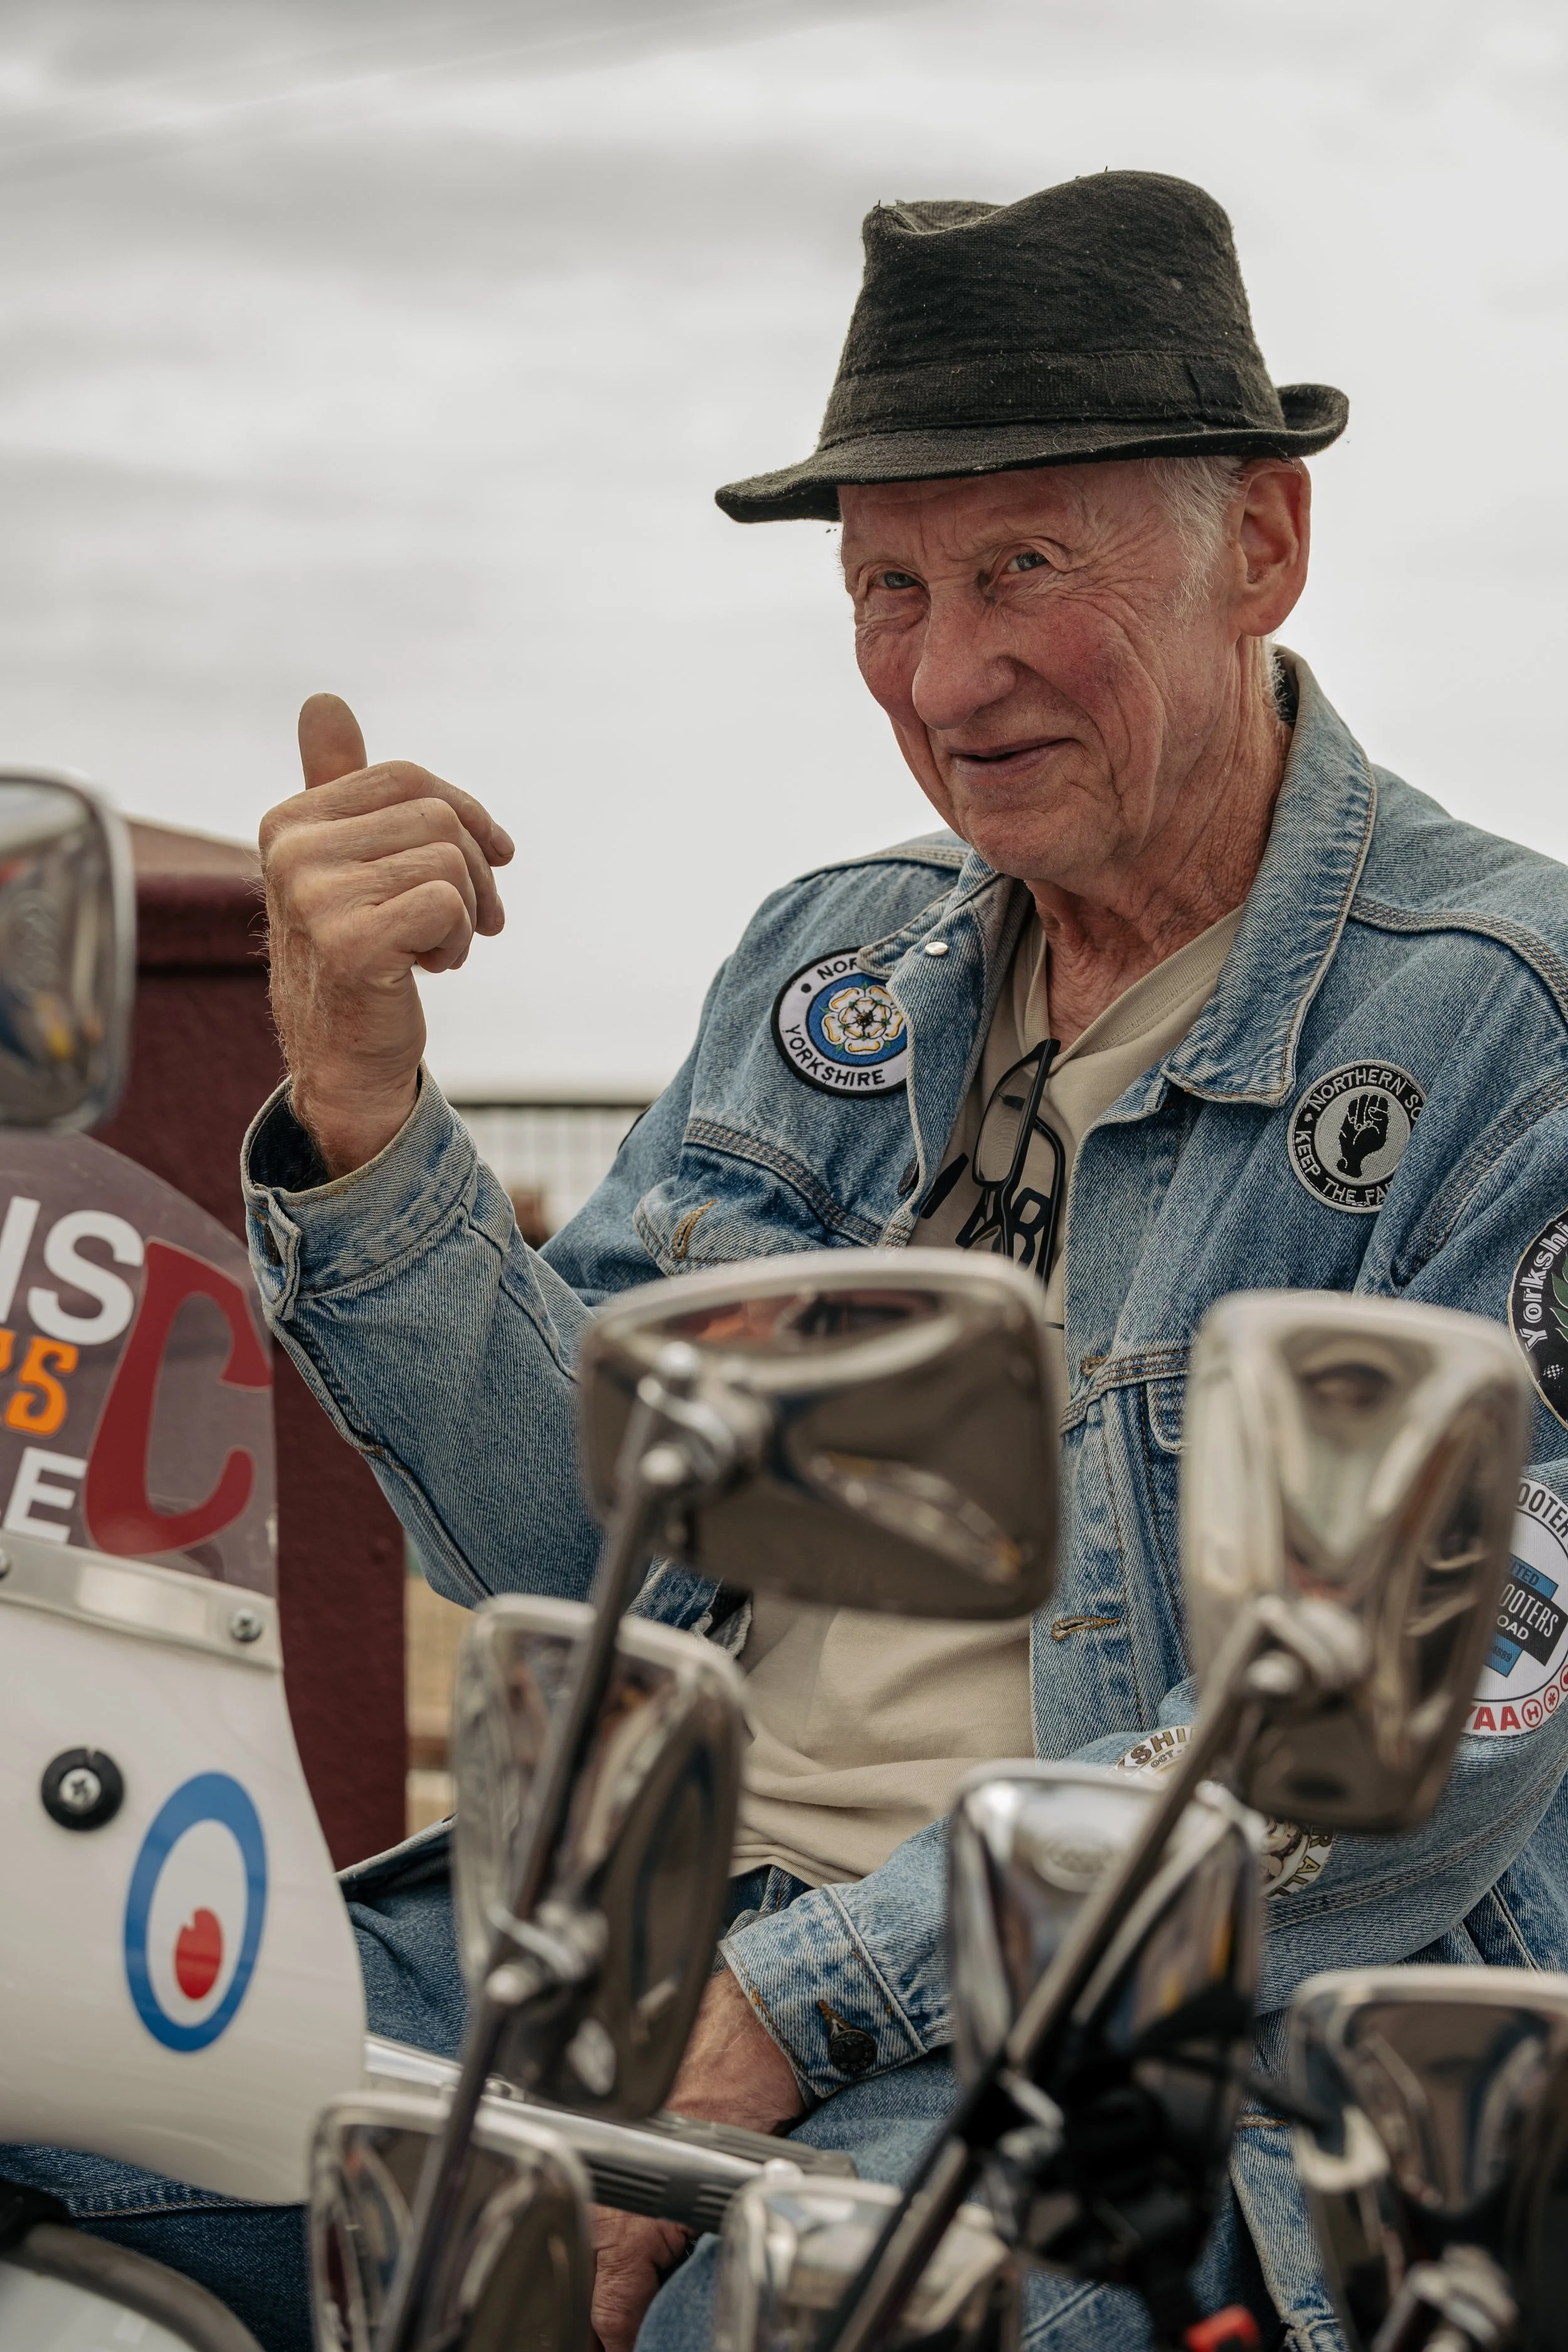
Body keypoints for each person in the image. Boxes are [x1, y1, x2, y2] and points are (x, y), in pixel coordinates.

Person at [16, 171, 1568, 2352]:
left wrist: (782, 1999)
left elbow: (1416, 1751)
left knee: (779, 2315)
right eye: (889, 586)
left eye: (1025, 565)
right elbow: (559, 1545)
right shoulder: (822, 966)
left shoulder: (1502, 1024)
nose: (946, 674)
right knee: (42, 2106)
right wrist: (365, 1101)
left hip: (1114, 2038)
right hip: (608, 1924)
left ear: (1265, 548)